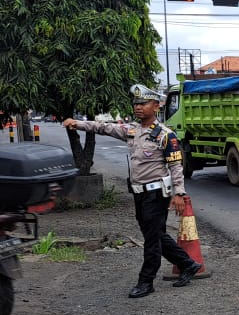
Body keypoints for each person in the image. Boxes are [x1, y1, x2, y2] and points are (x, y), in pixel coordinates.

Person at [64, 84, 203, 298]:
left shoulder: (165, 135)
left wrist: (179, 194)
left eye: (143, 103)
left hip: (156, 194)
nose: (138, 107)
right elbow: (104, 127)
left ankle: (146, 282)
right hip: (139, 194)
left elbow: (176, 166)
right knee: (155, 234)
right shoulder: (132, 131)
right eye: (136, 103)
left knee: (151, 240)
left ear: (156, 106)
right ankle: (188, 264)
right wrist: (78, 124)